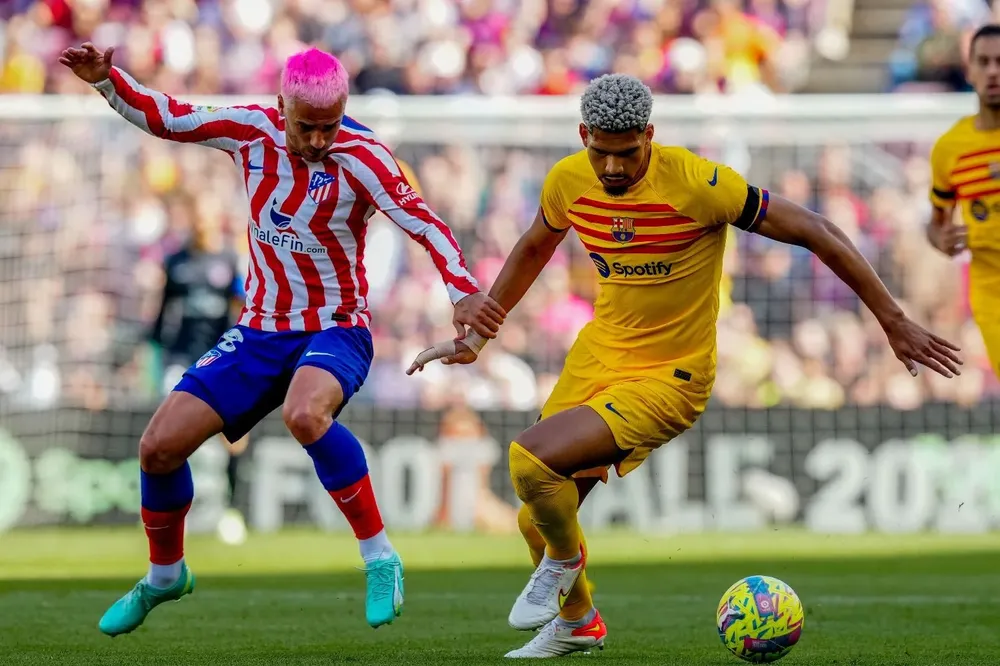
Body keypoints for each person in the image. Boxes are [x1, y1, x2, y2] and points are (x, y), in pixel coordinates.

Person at [408, 73, 963, 658]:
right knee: (537, 516)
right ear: (583, 137)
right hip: (598, 356)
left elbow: (816, 231)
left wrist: (892, 319)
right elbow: (534, 246)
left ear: (649, 135)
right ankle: (577, 621)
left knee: (529, 459)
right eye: (601, 153)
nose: (614, 169)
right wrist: (481, 334)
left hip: (672, 375)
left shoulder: (700, 184)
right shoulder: (568, 180)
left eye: (627, 154)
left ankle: (565, 566)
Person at [58, 43, 505, 636]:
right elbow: (168, 116)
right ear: (281, 106)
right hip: (260, 329)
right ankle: (166, 576)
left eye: (330, 126)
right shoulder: (249, 130)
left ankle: (380, 557)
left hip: (336, 326)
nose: (319, 140)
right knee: (157, 448)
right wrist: (107, 80)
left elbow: (425, 222)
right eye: (307, 127)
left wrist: (461, 292)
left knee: (304, 414)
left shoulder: (365, 156)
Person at [149, 200, 249, 545]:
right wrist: (153, 355)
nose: (204, 225)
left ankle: (230, 510)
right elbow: (162, 315)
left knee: (233, 437)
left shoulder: (229, 262)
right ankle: (175, 511)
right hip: (180, 359)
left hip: (221, 357)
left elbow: (243, 310)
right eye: (199, 218)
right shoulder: (176, 262)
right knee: (174, 437)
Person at [927, 24, 1000, 378]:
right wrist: (939, 239)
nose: (993, 72)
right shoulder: (950, 149)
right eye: (983, 62)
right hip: (991, 290)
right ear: (969, 70)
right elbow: (937, 221)